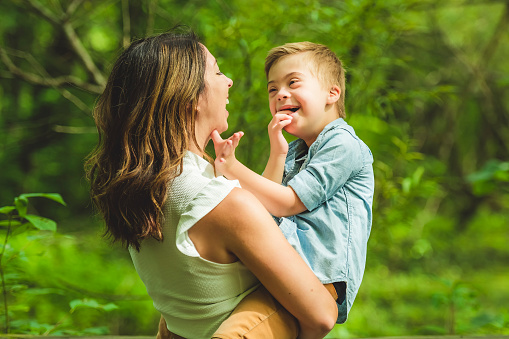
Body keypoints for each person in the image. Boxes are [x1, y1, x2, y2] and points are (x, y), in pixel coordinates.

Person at [85, 30, 337, 339]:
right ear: (189, 97)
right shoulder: (219, 201)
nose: (228, 81)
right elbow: (323, 316)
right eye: (217, 71)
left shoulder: (143, 190)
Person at [212, 41, 375, 325]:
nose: (280, 94)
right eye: (272, 89)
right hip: (288, 269)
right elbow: (263, 210)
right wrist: (278, 152)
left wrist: (234, 168)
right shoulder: (298, 151)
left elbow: (288, 202)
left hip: (319, 278)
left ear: (332, 93)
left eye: (293, 83)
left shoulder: (343, 144)